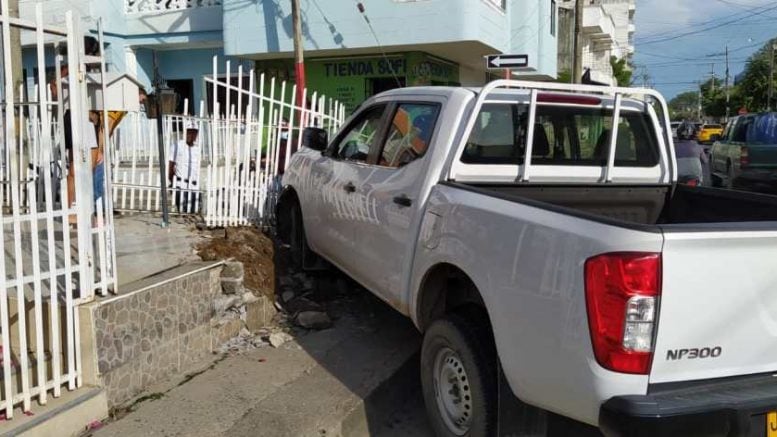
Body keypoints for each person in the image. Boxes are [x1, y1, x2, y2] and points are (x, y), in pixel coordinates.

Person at [168, 121, 201, 213]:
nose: (192, 135)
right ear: (185, 132)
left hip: (194, 185)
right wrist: (173, 182)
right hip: (180, 184)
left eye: (194, 132)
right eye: (189, 132)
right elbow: (171, 166)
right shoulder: (177, 146)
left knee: (194, 211)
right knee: (183, 211)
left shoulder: (197, 148)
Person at [675, 121, 710, 186]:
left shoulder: (674, 147)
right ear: (694, 134)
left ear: (679, 134)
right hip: (695, 178)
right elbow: (705, 161)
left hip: (679, 178)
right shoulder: (698, 147)